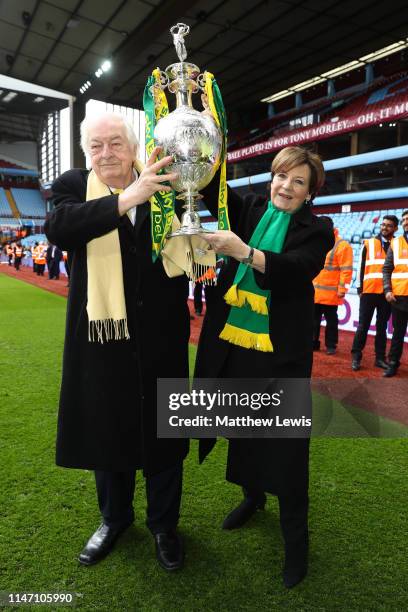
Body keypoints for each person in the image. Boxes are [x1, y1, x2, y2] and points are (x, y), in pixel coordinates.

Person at [44, 112, 190, 571]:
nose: (106, 153)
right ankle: (114, 519)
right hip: (101, 337)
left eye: (115, 144)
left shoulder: (166, 183)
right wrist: (128, 198)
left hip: (162, 335)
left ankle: (164, 525)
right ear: (87, 153)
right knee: (108, 429)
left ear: (133, 148)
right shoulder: (73, 185)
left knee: (164, 434)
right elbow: (60, 228)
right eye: (96, 146)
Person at [195, 146, 334, 588]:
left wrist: (245, 252)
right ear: (271, 177)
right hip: (235, 348)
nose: (285, 187)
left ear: (310, 193)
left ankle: (297, 543)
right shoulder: (251, 206)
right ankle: (252, 497)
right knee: (242, 431)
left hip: (281, 356)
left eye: (298, 182)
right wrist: (195, 138)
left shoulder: (319, 229)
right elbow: (213, 184)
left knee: (288, 450)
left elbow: (296, 268)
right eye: (281, 177)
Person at [351, 216, 398, 371]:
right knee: (363, 325)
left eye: (389, 226)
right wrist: (359, 288)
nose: (385, 228)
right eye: (383, 225)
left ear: (395, 229)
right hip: (369, 291)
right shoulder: (369, 243)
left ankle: (379, 358)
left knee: (382, 327)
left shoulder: (399, 245)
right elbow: (361, 266)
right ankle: (356, 357)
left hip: (387, 293)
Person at [312, 220, 353, 355]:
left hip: (331, 294)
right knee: (313, 320)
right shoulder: (317, 241)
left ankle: (331, 345)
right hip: (315, 292)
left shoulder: (342, 245)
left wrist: (342, 290)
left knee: (331, 322)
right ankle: (313, 343)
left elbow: (346, 270)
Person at [382, 209, 408, 377]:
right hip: (399, 296)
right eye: (404, 219)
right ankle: (393, 363)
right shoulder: (396, 243)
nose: (406, 222)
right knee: (397, 333)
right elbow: (387, 268)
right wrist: (387, 289)